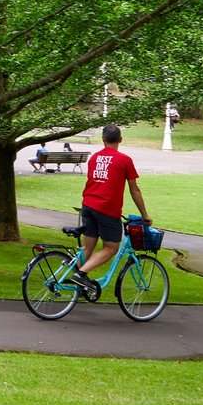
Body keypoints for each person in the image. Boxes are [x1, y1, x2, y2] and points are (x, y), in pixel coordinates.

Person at [74, 123, 152, 294]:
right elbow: (134, 189)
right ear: (120, 139)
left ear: (103, 140)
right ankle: (81, 274)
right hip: (107, 208)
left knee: (88, 247)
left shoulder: (94, 158)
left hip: (88, 204)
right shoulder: (124, 160)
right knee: (111, 248)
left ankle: (75, 286)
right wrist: (144, 214)